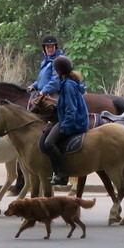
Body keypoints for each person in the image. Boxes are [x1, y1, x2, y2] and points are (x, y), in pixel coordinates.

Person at [40, 55, 88, 186]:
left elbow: (71, 109)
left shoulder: (68, 86)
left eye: (55, 70)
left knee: (49, 142)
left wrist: (65, 126)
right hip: (70, 119)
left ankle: (62, 174)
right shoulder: (68, 83)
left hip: (75, 122)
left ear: (58, 71)